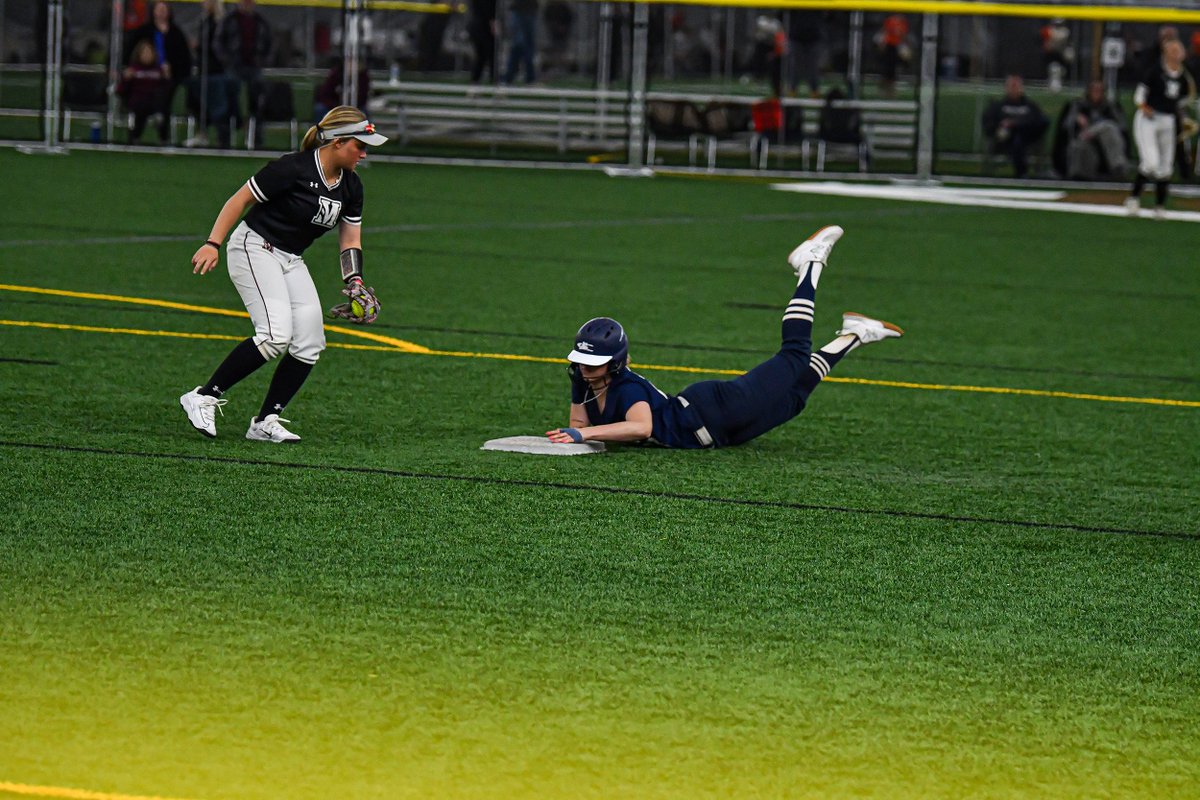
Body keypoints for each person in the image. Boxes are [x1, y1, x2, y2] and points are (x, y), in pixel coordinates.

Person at [545, 226, 902, 450]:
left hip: (715, 408)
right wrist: (578, 432)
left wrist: (586, 435)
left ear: (616, 363)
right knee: (795, 398)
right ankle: (855, 334)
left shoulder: (628, 388)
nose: (585, 369)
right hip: (718, 434)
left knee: (795, 355)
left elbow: (641, 427)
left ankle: (810, 264)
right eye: (581, 361)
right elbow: (579, 424)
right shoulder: (583, 380)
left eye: (594, 364)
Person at [179, 106, 387, 442]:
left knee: (310, 342)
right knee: (275, 335)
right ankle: (203, 396)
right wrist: (212, 243)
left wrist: (355, 281)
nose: (364, 154)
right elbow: (239, 200)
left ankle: (265, 421)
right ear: (337, 142)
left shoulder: (351, 186)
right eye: (359, 146)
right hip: (254, 247)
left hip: (290, 258)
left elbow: (350, 239)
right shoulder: (293, 168)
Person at [1126, 38, 1195, 217]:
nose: (1176, 54)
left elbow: (1183, 100)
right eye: (1173, 50)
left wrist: (1183, 118)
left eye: (1178, 50)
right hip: (1149, 119)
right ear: (1166, 53)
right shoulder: (1155, 71)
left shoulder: (1184, 77)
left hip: (1168, 120)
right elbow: (1140, 95)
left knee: (1165, 167)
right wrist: (1144, 107)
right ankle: (1133, 198)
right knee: (1150, 163)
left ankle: (1159, 206)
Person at [123, 1, 192, 145]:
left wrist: (173, 72)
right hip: (144, 78)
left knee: (164, 102)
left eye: (164, 9)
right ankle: (135, 136)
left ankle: (163, 137)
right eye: (159, 9)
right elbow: (130, 50)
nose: (161, 12)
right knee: (141, 103)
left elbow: (184, 57)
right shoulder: (144, 31)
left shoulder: (176, 32)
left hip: (168, 79)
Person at [218, 0, 272, 148]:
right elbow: (219, 42)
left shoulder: (261, 22)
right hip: (234, 67)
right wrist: (227, 60)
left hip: (254, 66)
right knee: (229, 96)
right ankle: (226, 136)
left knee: (258, 100)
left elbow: (269, 43)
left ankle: (256, 137)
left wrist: (263, 60)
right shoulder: (229, 20)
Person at [1054, 80, 1129, 180]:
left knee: (1108, 127)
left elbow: (1121, 128)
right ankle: (1117, 166)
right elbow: (1065, 128)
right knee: (1105, 128)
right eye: (1094, 90)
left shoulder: (1111, 107)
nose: (1097, 93)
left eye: (1100, 90)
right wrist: (1076, 118)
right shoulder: (1077, 105)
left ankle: (1117, 168)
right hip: (1082, 136)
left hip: (1104, 139)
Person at [982, 75, 1049, 178]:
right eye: (1011, 86)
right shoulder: (998, 106)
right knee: (1016, 139)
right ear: (1006, 88)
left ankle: (1022, 172)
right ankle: (1022, 172)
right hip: (1004, 139)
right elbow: (988, 122)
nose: (1014, 89)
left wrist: (1016, 123)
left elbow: (1040, 121)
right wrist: (1000, 128)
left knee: (1020, 137)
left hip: (1027, 138)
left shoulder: (1030, 106)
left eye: (1016, 86)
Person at [117, 40, 171, 145]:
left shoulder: (158, 70)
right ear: (139, 54)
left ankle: (163, 139)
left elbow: (167, 89)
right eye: (144, 52)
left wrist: (167, 77)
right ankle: (135, 137)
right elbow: (120, 90)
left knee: (162, 105)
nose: (147, 55)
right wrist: (126, 79)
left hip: (155, 101)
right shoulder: (133, 69)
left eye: (149, 52)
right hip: (138, 102)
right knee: (141, 109)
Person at [503, 0, 539, 85]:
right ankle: (513, 76)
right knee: (520, 45)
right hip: (520, 11)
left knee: (524, 46)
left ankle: (511, 77)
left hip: (529, 11)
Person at [877, 14, 910, 99]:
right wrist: (882, 44)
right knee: (886, 69)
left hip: (897, 46)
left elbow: (903, 35)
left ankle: (891, 91)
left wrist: (904, 46)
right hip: (889, 46)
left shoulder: (903, 22)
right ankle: (884, 90)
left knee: (894, 70)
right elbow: (884, 32)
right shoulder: (890, 20)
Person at [467, 0, 498, 84]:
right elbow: (488, 8)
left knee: (481, 55)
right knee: (490, 53)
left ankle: (475, 80)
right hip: (484, 26)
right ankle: (493, 79)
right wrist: (493, 23)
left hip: (477, 23)